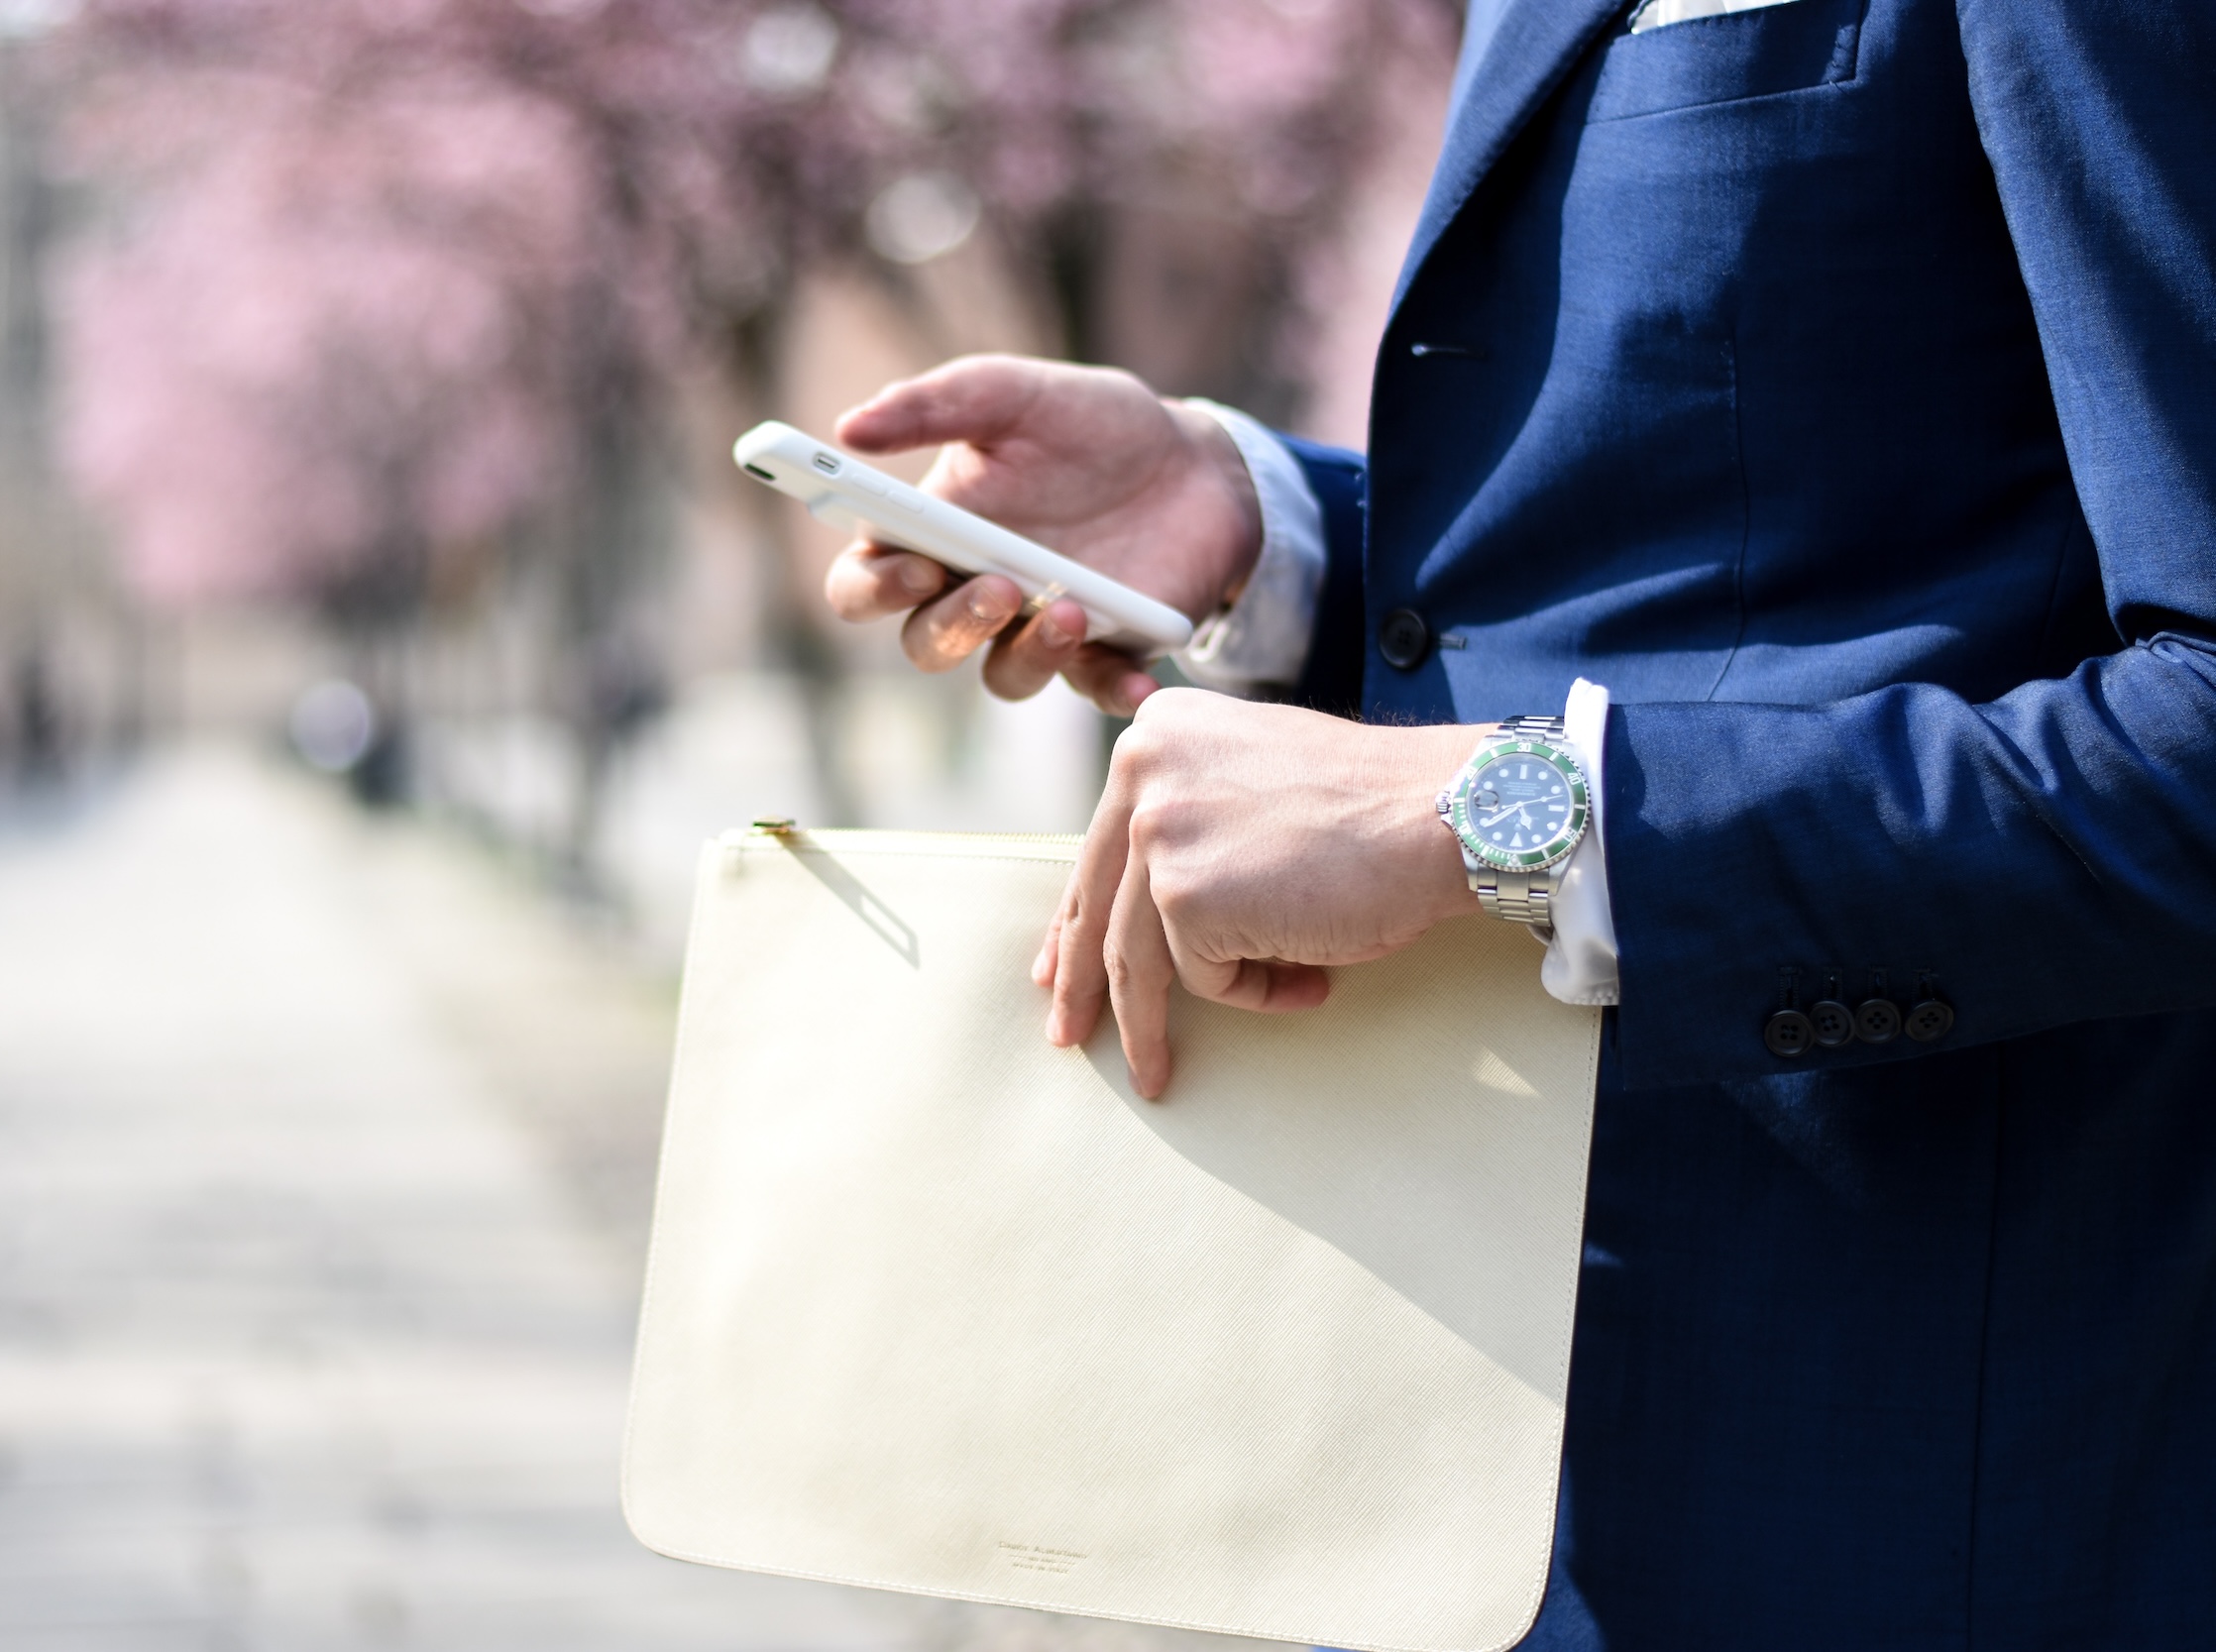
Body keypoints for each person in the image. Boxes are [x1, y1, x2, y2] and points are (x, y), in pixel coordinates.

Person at [819, 0, 2216, 1644]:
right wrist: (1275, 540)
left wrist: (1500, 814)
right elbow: (1751, 550)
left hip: (1885, 1496)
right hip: (1468, 1467)